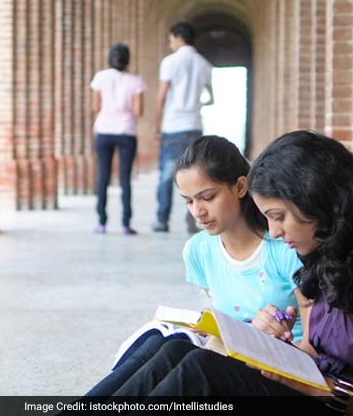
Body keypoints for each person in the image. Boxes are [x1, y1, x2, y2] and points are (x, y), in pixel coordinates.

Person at [100, 131, 353, 410]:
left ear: (317, 202)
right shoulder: (332, 260)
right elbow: (325, 353)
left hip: (337, 404)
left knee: (200, 373)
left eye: (279, 217)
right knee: (176, 348)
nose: (274, 232)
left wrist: (323, 387)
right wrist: (276, 348)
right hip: (313, 391)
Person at [83, 135, 303, 396]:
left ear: (241, 186)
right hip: (230, 357)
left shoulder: (285, 248)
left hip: (278, 370)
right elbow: (223, 316)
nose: (197, 211)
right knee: (166, 346)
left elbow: (315, 342)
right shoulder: (199, 250)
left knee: (193, 362)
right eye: (188, 201)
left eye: (207, 197)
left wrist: (269, 332)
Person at [152, 22, 214, 234]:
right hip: (194, 125)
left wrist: (157, 126)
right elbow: (211, 98)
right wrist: (196, 104)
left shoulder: (170, 62)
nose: (170, 43)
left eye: (170, 38)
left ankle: (161, 219)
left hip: (173, 125)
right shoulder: (204, 64)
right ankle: (192, 219)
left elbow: (161, 96)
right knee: (195, 176)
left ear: (179, 37)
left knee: (167, 176)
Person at [90, 44, 146, 235]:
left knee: (103, 177)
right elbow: (138, 111)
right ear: (127, 59)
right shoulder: (136, 81)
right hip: (126, 131)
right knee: (125, 179)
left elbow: (96, 107)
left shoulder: (100, 77)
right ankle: (125, 224)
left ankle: (102, 222)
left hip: (104, 130)